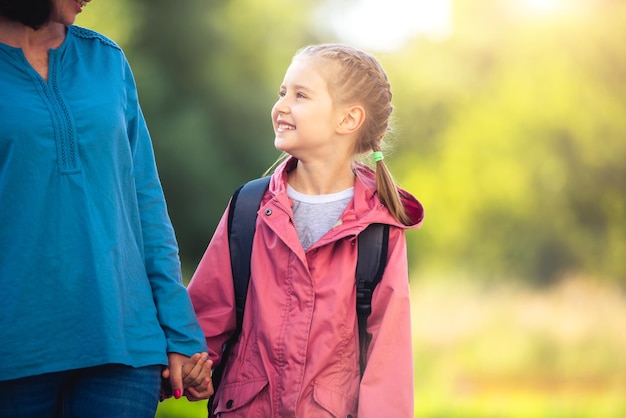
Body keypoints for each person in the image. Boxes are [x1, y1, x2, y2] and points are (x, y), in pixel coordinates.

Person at [188, 43, 424, 417]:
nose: (281, 106)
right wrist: (189, 369)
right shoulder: (249, 207)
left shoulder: (380, 228)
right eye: (282, 92)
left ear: (348, 120)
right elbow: (204, 317)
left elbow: (388, 362)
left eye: (300, 95)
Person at [0, 0, 213, 416]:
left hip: (122, 341)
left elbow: (145, 202)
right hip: (15, 348)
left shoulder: (106, 60)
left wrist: (180, 330)